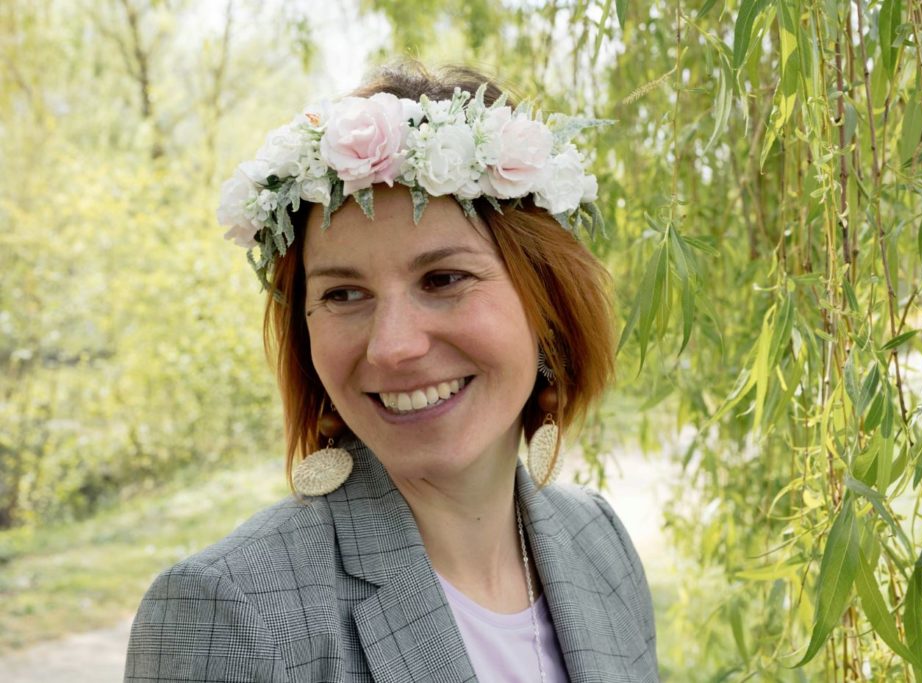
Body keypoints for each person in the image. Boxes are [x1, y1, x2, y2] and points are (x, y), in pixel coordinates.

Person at [125, 62, 658, 682]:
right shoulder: (231, 612)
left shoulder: (599, 542)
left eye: (444, 279)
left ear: (548, 305)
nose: (393, 347)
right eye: (344, 295)